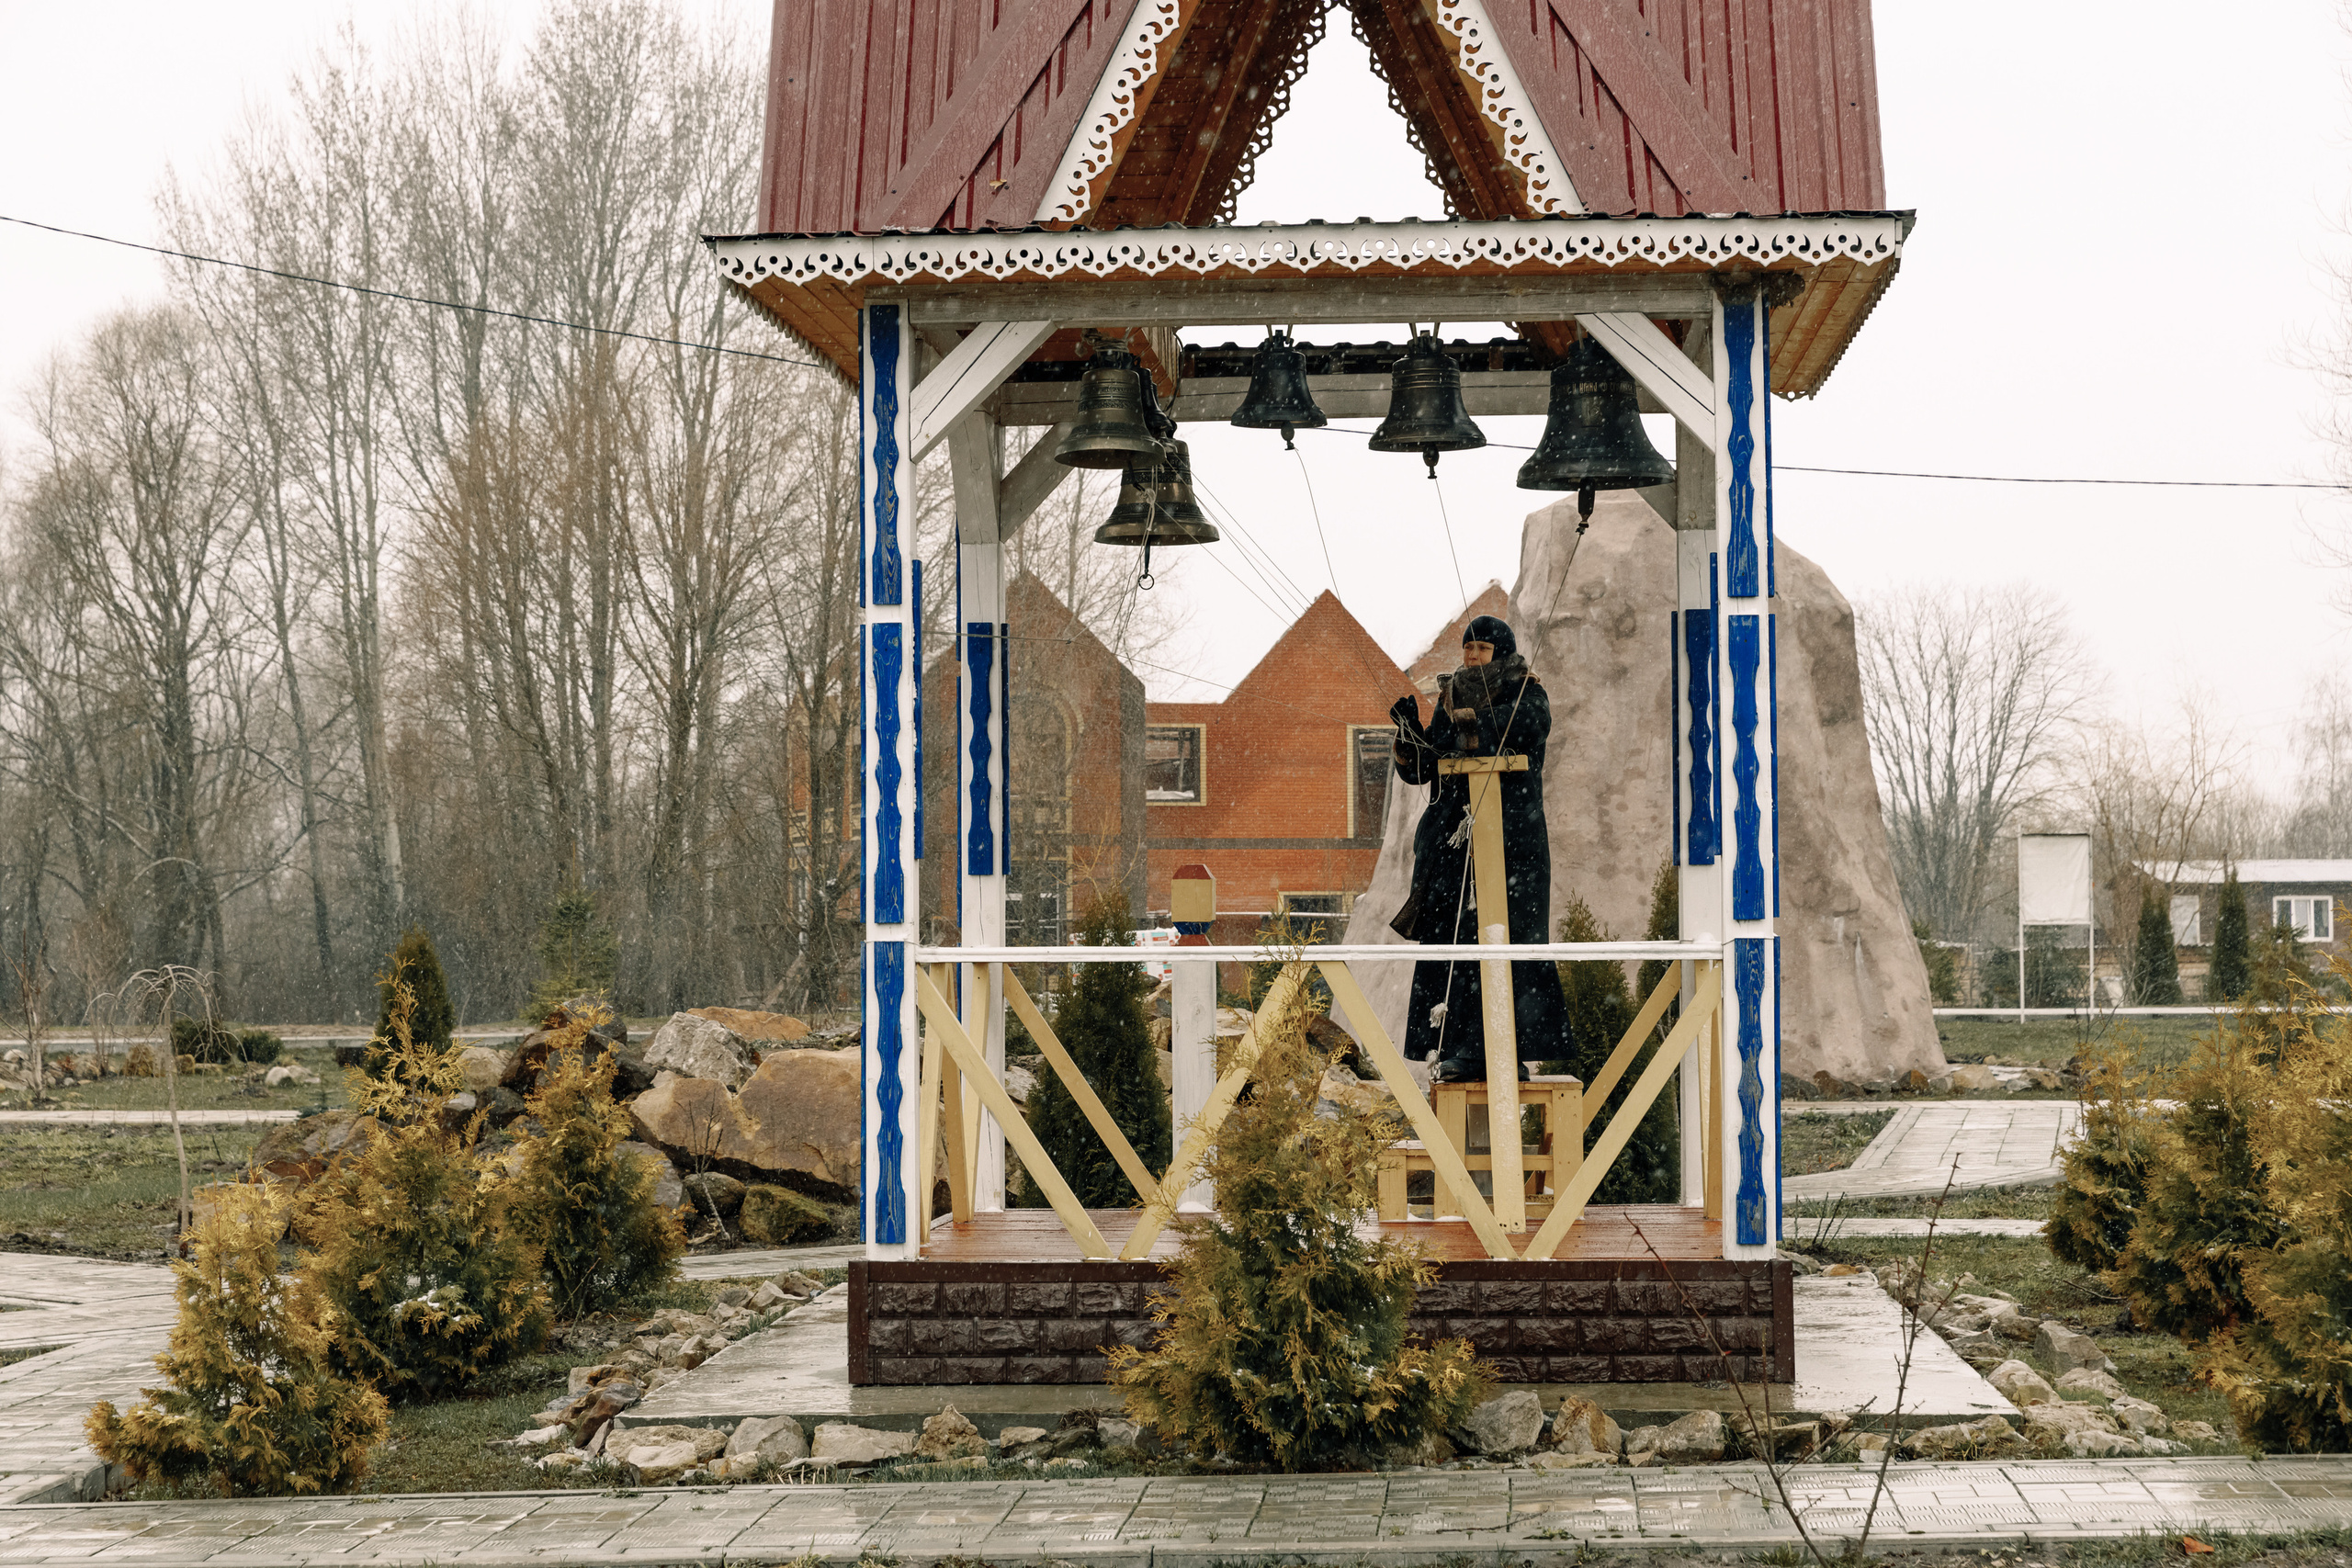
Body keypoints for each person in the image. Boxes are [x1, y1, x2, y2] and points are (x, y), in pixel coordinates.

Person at [1387, 615, 1575, 1080]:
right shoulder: (1450, 697)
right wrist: (1409, 736)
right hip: (1455, 843)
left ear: (1502, 653)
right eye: (1468, 647)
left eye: (1483, 649)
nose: (1472, 656)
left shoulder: (1527, 691)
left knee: (1506, 938)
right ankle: (1459, 1047)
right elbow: (1425, 766)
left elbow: (1520, 729)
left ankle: (1504, 1050)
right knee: (1454, 940)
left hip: (1512, 843)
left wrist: (1466, 725)